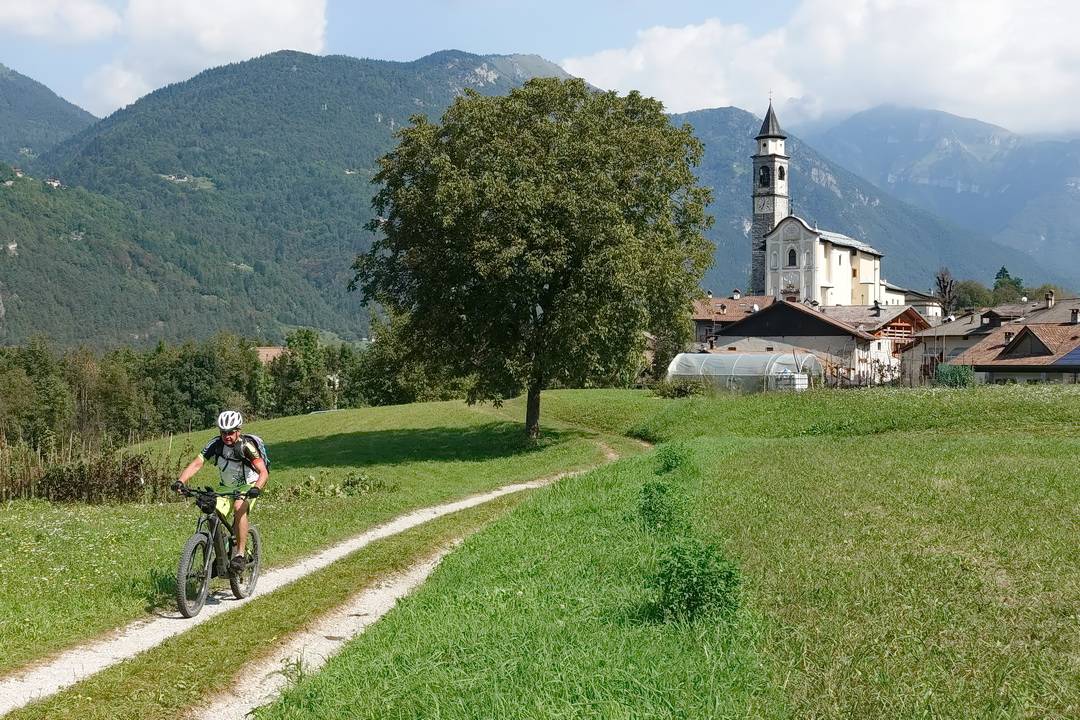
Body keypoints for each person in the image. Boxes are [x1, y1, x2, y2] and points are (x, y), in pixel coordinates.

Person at [174, 410, 268, 572]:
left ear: (239, 430)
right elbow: (197, 463)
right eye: (223, 432)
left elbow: (263, 471)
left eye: (231, 432)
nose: (227, 436)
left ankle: (239, 554)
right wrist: (181, 481)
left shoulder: (247, 446)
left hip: (248, 485)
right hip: (226, 487)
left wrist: (256, 488)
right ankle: (222, 549)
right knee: (210, 508)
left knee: (239, 507)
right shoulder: (215, 444)